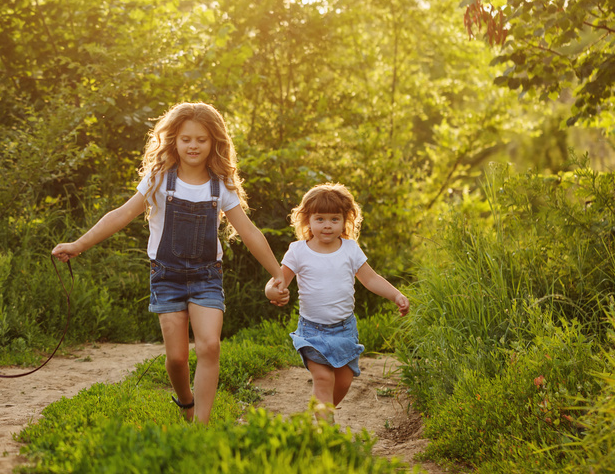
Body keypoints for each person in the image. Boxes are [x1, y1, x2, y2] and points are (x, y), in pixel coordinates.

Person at [52, 102, 285, 424]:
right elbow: (121, 214)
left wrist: (278, 274)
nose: (193, 145)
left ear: (214, 142)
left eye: (201, 140)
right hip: (167, 276)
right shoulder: (160, 178)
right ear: (173, 140)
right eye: (186, 139)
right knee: (176, 358)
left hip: (206, 276)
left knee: (209, 346)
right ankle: (186, 402)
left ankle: (201, 426)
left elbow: (249, 232)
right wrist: (79, 245)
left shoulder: (221, 186)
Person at [265, 183, 409, 418]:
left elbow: (371, 279)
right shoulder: (298, 251)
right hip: (312, 331)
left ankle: (321, 413)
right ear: (307, 221)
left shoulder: (350, 250)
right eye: (320, 219)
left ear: (345, 221)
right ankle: (325, 433)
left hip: (344, 330)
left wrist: (396, 295)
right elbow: (277, 281)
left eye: (335, 219)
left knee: (343, 381)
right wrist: (272, 292)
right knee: (323, 378)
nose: (327, 225)